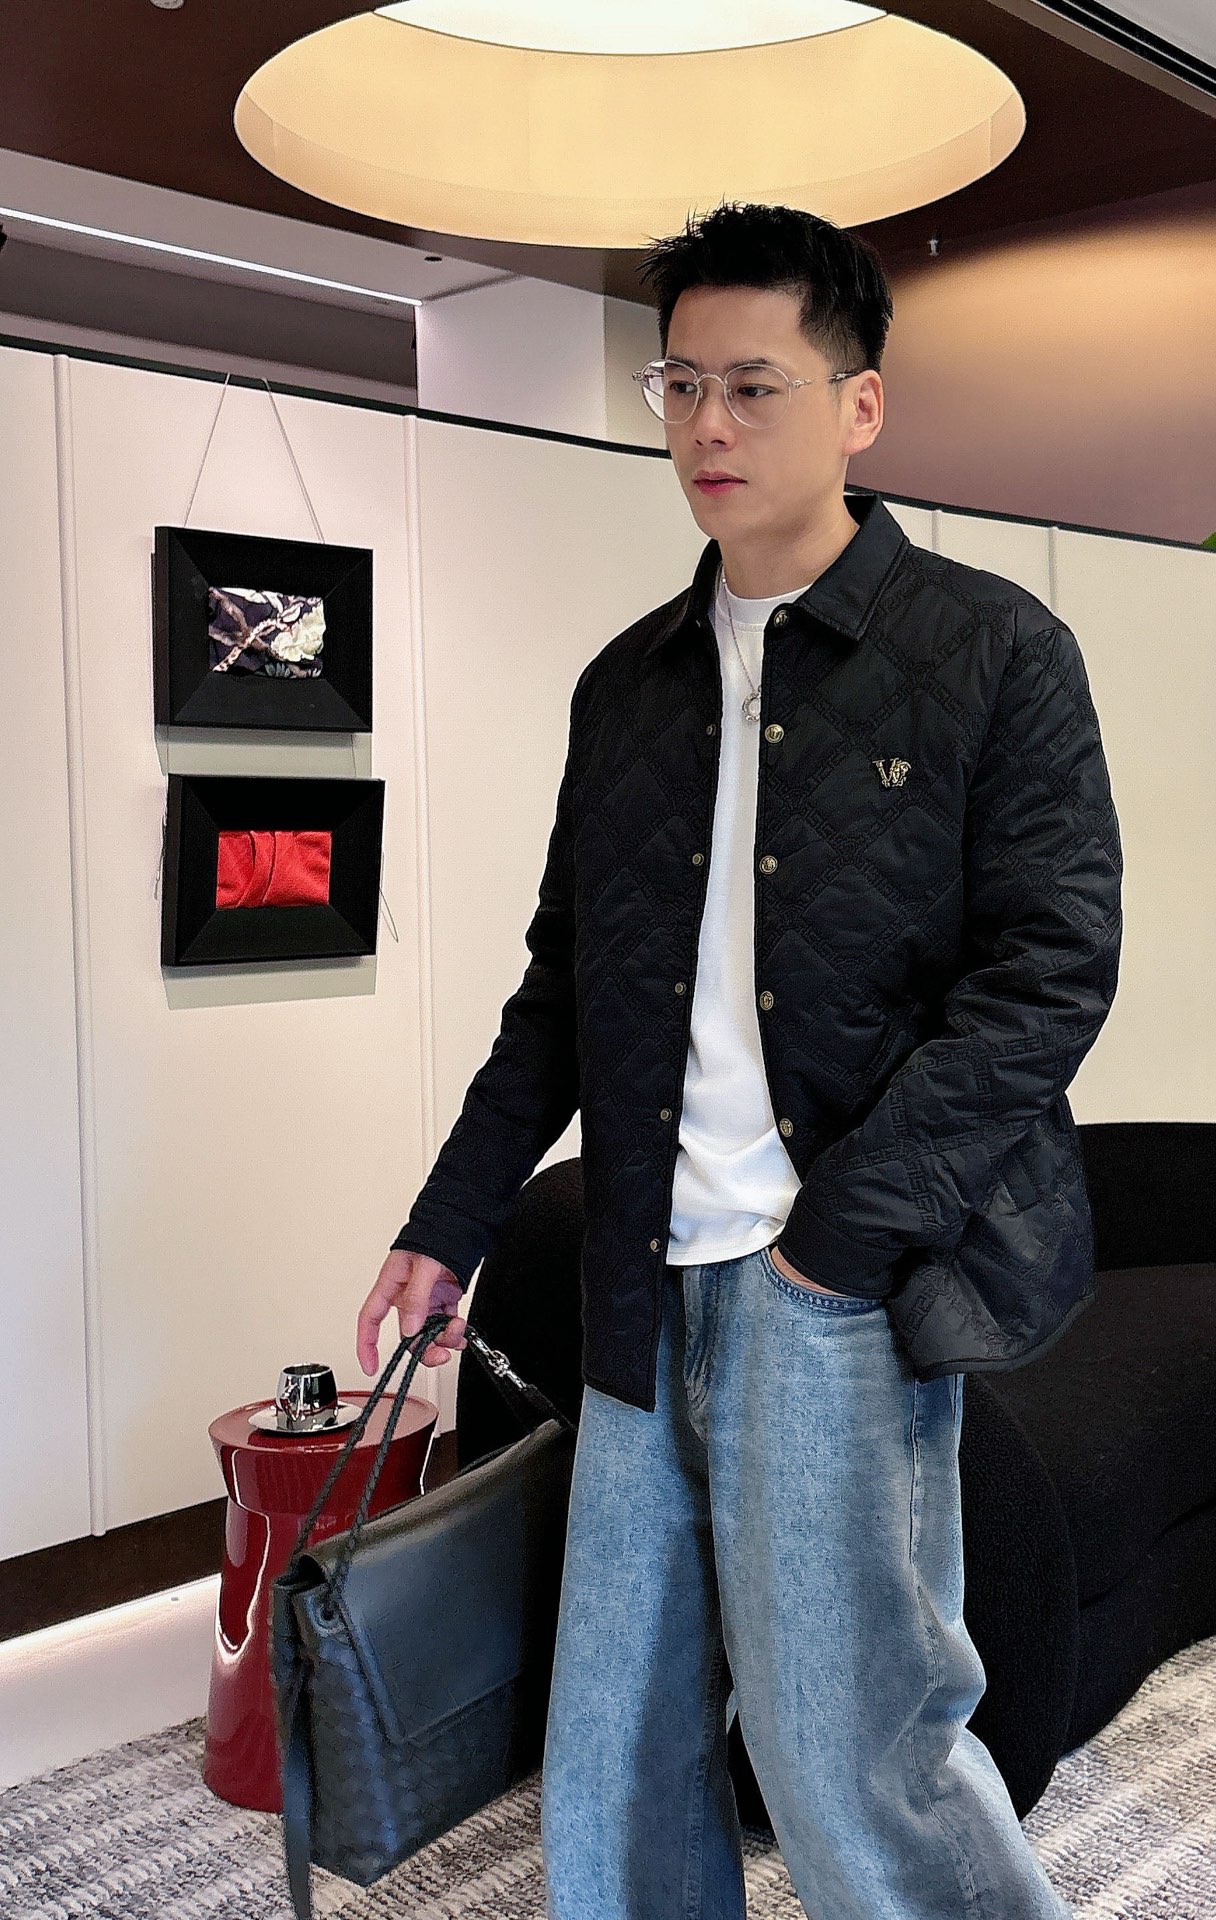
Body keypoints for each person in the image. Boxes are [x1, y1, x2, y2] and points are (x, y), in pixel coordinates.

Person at [358, 200, 1121, 1918]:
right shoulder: (626, 686)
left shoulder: (992, 653)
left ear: (860, 406)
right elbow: (562, 992)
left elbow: (1050, 974)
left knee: (849, 1743)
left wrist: (838, 1239)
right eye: (681, 385)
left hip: (824, 1285)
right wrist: (447, 1223)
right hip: (640, 1271)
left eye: (754, 386)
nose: (708, 424)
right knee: (613, 1738)